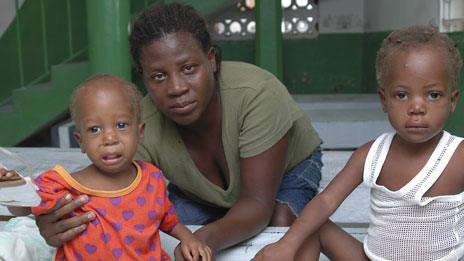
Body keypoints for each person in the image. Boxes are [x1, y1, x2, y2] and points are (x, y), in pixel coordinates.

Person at [33, 2, 323, 257]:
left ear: (211, 60)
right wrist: (57, 223)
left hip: (286, 174)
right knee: (147, 227)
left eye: (188, 68)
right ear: (144, 79)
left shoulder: (257, 93)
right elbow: (117, 200)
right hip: (199, 194)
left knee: (279, 226)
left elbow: (257, 203)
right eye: (158, 76)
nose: (176, 88)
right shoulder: (140, 123)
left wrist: (201, 241)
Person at [253, 25, 464, 260]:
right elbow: (326, 201)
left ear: (452, 100)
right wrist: (287, 245)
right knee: (312, 227)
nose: (416, 108)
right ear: (384, 100)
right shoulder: (371, 154)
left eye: (433, 95)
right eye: (401, 95)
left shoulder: (458, 156)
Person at [6, 74, 212, 260]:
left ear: (140, 132)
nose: (110, 138)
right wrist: (13, 188)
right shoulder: (63, 184)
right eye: (95, 129)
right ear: (81, 141)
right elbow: (24, 207)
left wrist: (189, 239)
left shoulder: (152, 178)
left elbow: (168, 219)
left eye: (121, 125)